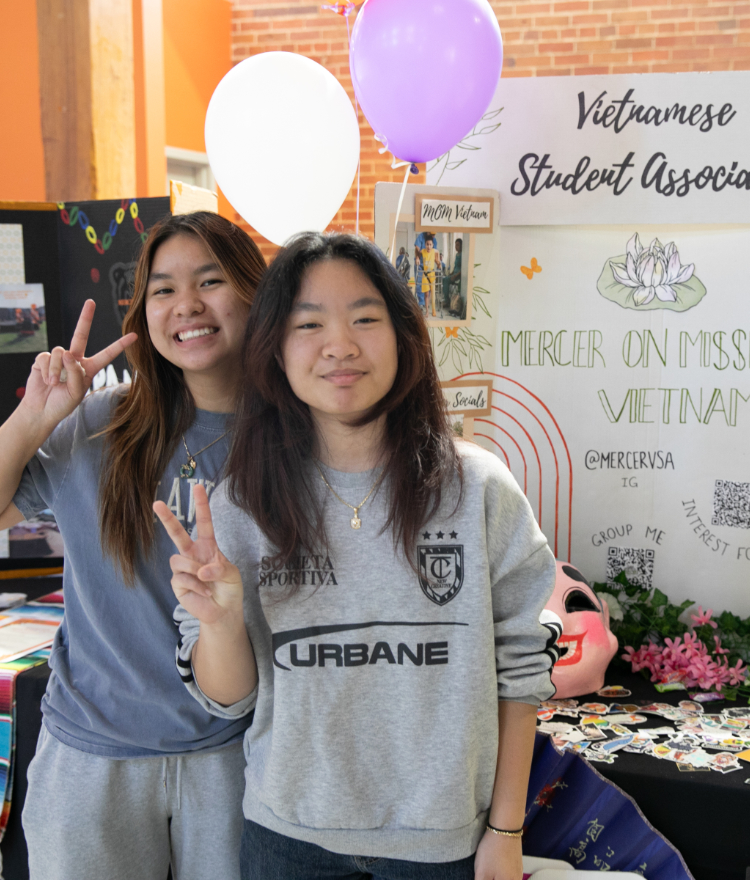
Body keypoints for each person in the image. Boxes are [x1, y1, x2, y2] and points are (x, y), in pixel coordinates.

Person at [155, 232, 557, 880]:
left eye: (365, 319)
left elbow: (522, 669)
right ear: (275, 352)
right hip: (288, 839)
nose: (340, 345)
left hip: (445, 844)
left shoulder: (478, 489)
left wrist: (506, 831)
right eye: (308, 324)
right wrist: (221, 622)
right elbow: (226, 701)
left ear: (403, 336)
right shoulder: (241, 504)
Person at [0, 211, 266, 880]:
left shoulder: (290, 440)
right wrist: (33, 418)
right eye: (164, 289)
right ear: (143, 311)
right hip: (93, 760)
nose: (188, 307)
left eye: (211, 280)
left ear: (253, 293)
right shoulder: (94, 425)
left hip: (234, 756)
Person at [416, 234, 442, 318]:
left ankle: (433, 310)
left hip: (432, 274)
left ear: (432, 245)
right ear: (425, 244)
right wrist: (417, 259)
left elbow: (437, 254)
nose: (429, 246)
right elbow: (418, 254)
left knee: (433, 293)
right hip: (425, 274)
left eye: (430, 244)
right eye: (427, 244)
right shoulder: (423, 251)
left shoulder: (434, 251)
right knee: (426, 294)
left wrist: (438, 262)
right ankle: (427, 311)